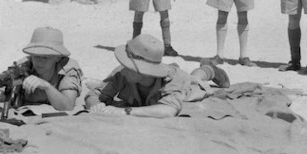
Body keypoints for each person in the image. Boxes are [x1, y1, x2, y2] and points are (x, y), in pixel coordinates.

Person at [84, 34, 231, 118]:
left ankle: (208, 69)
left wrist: (125, 111)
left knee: (195, 81)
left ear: (142, 70)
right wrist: (96, 106)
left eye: (130, 65)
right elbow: (94, 94)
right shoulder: (123, 73)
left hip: (186, 84)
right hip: (166, 72)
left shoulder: (173, 82)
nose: (124, 67)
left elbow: (168, 110)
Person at [0, 26, 83, 111]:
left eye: (45, 57)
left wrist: (46, 86)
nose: (39, 61)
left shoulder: (67, 69)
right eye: (35, 56)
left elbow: (68, 106)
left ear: (57, 58)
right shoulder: (23, 67)